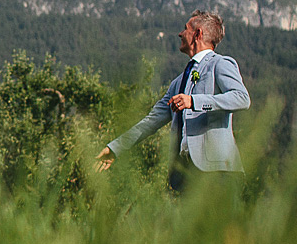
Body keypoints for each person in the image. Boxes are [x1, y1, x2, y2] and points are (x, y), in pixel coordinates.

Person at [95, 10, 250, 192]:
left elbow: (242, 98)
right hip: (185, 177)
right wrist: (115, 148)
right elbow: (151, 121)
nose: (180, 34)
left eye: (185, 29)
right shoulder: (178, 83)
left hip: (218, 173)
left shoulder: (221, 64)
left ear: (198, 34)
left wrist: (194, 101)